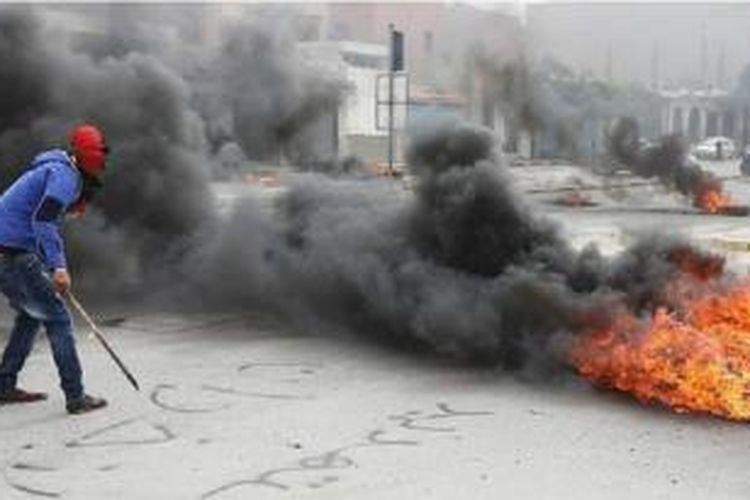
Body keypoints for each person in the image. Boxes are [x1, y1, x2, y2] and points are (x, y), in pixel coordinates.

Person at [0, 124, 108, 415]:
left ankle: (4, 385)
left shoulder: (54, 167)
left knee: (30, 315)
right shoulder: (65, 177)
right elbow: (43, 220)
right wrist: (58, 267)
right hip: (11, 254)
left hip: (9, 251)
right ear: (90, 157)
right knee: (58, 319)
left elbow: (32, 220)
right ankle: (76, 396)